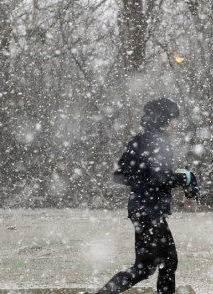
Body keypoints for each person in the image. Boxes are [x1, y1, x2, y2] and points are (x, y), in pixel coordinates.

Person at [88, 97, 199, 294]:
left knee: (145, 267)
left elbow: (120, 175)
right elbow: (161, 178)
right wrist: (185, 178)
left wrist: (144, 179)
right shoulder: (159, 142)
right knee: (167, 262)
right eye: (174, 118)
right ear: (163, 119)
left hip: (139, 209)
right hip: (151, 210)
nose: (176, 123)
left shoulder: (140, 139)